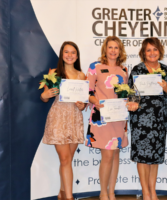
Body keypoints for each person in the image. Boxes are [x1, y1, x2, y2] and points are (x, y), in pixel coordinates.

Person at [128, 37, 167, 200]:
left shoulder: (166, 70)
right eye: (148, 50)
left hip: (159, 119)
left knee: (155, 156)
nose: (152, 53)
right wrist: (132, 103)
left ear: (159, 51)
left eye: (155, 49)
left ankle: (153, 191)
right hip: (140, 119)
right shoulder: (137, 70)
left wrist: (165, 86)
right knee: (142, 155)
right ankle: (145, 192)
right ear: (143, 52)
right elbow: (131, 94)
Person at [41, 41, 86, 200]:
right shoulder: (54, 73)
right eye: (66, 52)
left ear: (77, 55)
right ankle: (69, 197)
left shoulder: (81, 75)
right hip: (59, 118)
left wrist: (82, 105)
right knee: (65, 159)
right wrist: (44, 96)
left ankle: (62, 193)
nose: (70, 55)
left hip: (74, 118)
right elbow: (45, 96)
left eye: (73, 52)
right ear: (62, 55)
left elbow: (83, 102)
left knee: (68, 160)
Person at [85, 36, 128, 200]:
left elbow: (125, 94)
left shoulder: (124, 70)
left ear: (120, 51)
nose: (113, 51)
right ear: (105, 49)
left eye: (116, 48)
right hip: (101, 117)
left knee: (115, 154)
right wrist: (97, 102)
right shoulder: (95, 67)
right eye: (110, 47)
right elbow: (88, 92)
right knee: (108, 155)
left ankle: (112, 192)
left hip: (118, 118)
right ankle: (103, 193)